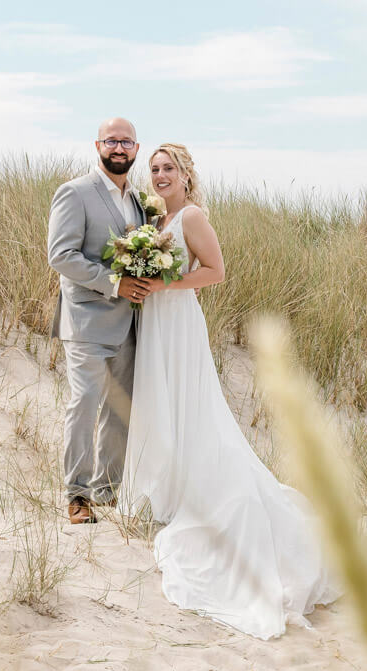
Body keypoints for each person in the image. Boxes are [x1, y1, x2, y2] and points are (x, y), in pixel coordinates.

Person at [120, 143, 340, 639]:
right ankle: (162, 485)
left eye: (167, 168)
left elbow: (216, 272)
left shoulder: (192, 217)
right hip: (155, 323)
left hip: (178, 321)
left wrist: (164, 284)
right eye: (153, 169)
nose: (159, 175)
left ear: (185, 174)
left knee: (191, 406)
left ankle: (198, 494)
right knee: (161, 400)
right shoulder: (155, 222)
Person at [47, 118, 159, 524]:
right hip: (87, 321)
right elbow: (61, 256)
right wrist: (116, 283)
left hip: (128, 324)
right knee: (84, 404)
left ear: (136, 148)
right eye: (111, 140)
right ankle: (76, 494)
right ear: (97, 145)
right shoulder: (75, 193)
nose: (119, 148)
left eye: (126, 142)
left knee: (119, 410)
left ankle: (107, 491)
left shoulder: (141, 203)